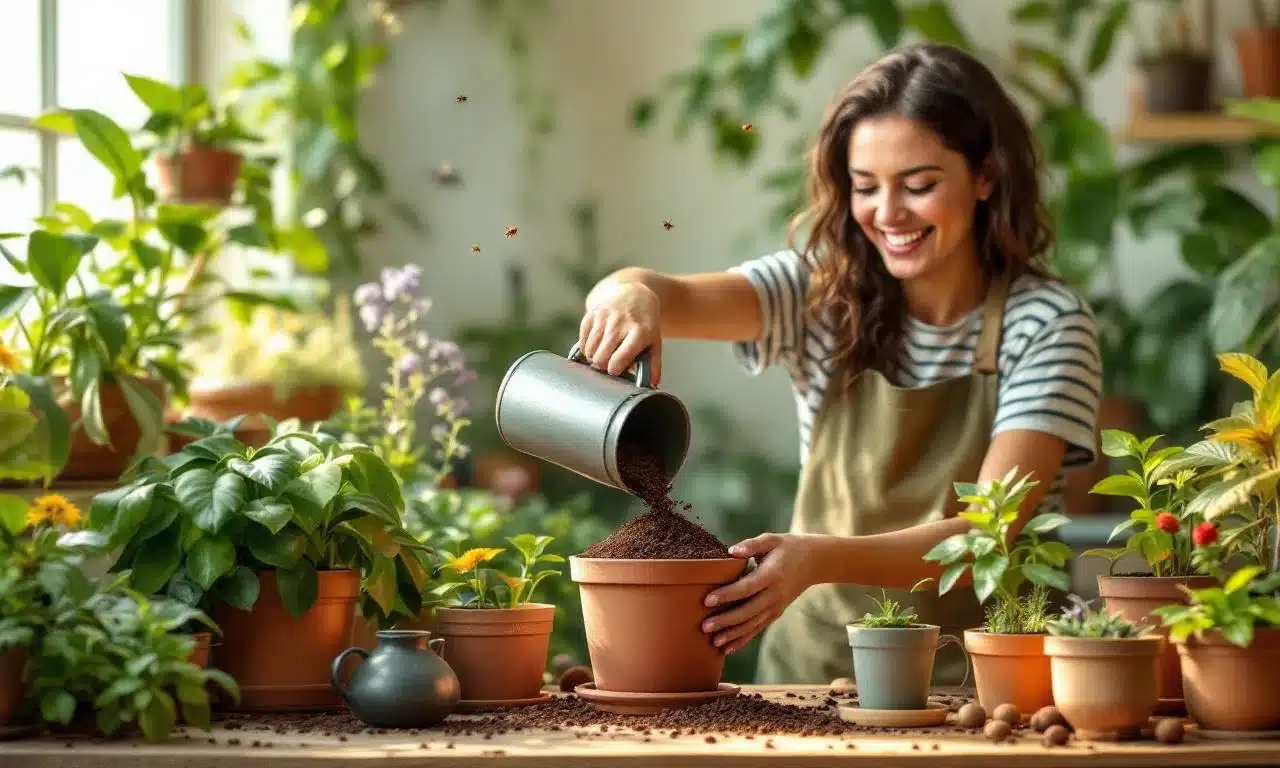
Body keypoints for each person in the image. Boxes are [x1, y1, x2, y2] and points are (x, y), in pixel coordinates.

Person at [574, 43, 1102, 685]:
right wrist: (627, 294)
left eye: (920, 185)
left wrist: (816, 559)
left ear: (986, 175)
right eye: (865, 187)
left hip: (981, 686)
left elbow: (985, 535)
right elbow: (664, 292)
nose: (889, 214)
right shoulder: (819, 294)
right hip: (815, 679)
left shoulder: (1047, 324)